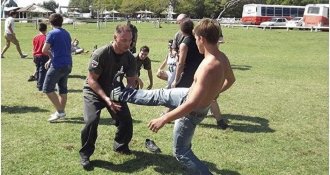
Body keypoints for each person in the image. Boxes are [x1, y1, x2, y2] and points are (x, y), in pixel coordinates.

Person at [109, 18, 235, 174]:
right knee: (158, 94)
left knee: (181, 152)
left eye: (196, 39)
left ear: (201, 39)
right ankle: (120, 93)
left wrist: (163, 119)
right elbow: (231, 80)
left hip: (192, 110)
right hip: (189, 95)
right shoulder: (222, 57)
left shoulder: (209, 66)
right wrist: (214, 92)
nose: (196, 43)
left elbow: (191, 104)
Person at [79, 24, 137, 170]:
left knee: (126, 119)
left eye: (130, 40)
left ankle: (120, 146)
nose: (127, 44)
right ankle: (85, 154)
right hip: (94, 91)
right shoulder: (102, 53)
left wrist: (130, 90)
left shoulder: (130, 57)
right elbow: (91, 80)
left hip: (115, 91)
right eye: (123, 40)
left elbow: (131, 81)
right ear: (115, 37)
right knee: (91, 121)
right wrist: (106, 100)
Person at [42, 13, 72, 122]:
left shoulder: (51, 33)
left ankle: (60, 111)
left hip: (58, 65)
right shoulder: (66, 33)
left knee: (47, 88)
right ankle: (60, 112)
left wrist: (51, 57)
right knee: (62, 89)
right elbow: (65, 49)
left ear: (50, 23)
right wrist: (51, 58)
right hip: (68, 64)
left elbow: (44, 50)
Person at [172, 19, 203, 88]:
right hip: (199, 71)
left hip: (188, 74)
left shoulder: (184, 44)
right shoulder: (198, 40)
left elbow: (181, 64)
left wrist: (176, 80)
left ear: (181, 29)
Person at [32, 23, 49, 91]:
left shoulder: (35, 37)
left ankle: (38, 83)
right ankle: (40, 85)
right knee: (42, 71)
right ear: (46, 29)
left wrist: (33, 56)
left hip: (36, 55)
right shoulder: (46, 37)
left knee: (38, 70)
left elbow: (34, 48)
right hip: (43, 55)